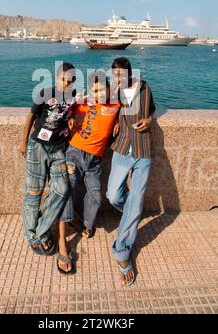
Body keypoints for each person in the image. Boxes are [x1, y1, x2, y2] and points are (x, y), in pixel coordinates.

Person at [57, 71, 121, 274]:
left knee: (95, 195)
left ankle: (84, 223)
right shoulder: (85, 103)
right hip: (75, 153)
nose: (97, 93)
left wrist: (119, 121)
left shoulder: (116, 105)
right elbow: (64, 110)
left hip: (95, 160)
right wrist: (72, 111)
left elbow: (133, 83)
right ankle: (66, 233)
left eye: (101, 89)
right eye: (94, 90)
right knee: (68, 189)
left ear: (109, 89)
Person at [107, 57, 156, 286]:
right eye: (114, 74)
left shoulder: (145, 87)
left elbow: (151, 110)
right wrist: (116, 119)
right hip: (122, 148)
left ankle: (122, 253)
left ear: (129, 72)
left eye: (121, 74)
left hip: (143, 150)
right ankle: (132, 214)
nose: (118, 78)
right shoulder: (115, 92)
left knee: (135, 201)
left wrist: (148, 119)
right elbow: (100, 105)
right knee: (113, 196)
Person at [20, 62, 76, 256]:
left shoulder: (73, 98)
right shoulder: (45, 92)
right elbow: (30, 117)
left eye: (69, 81)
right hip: (38, 147)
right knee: (33, 193)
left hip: (58, 149)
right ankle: (30, 235)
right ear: (57, 77)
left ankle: (42, 230)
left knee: (62, 189)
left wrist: (72, 120)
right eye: (63, 79)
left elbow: (74, 114)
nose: (65, 84)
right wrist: (23, 142)